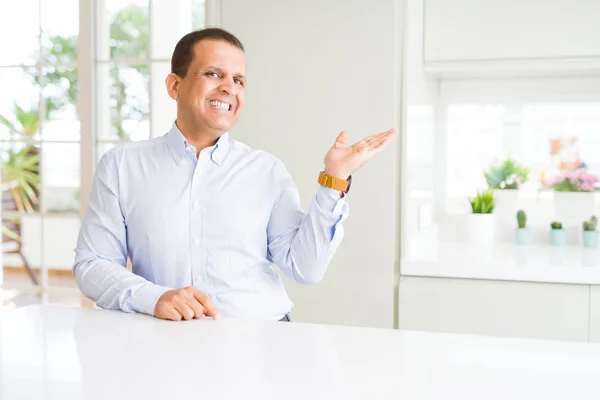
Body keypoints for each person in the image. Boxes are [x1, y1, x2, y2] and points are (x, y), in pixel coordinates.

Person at [73, 28, 396, 322]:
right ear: (175, 85)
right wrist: (154, 297)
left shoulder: (267, 170)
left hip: (263, 340)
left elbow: (305, 268)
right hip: (166, 340)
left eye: (239, 80)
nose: (229, 88)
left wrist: (334, 180)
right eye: (214, 74)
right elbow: (93, 264)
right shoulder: (121, 166)